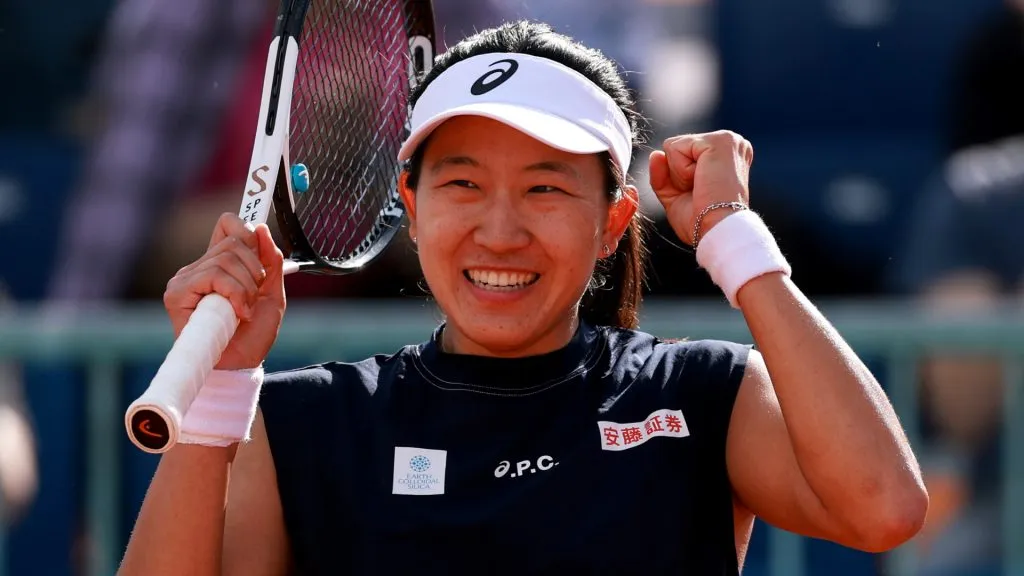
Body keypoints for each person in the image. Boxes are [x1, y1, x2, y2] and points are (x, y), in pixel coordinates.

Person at [118, 21, 928, 575]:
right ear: (411, 205)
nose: (500, 232)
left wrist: (735, 242)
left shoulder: (700, 393)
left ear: (614, 222)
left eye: (545, 188)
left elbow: (883, 509)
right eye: (464, 184)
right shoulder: (302, 422)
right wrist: (218, 387)